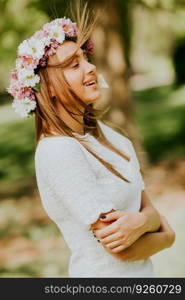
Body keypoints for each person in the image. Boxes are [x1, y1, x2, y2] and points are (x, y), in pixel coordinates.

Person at [8, 2, 175, 277]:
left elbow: (150, 210)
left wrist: (144, 222)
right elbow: (123, 250)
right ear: (47, 88)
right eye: (74, 65)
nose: (90, 68)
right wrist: (164, 235)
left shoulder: (113, 138)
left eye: (86, 59)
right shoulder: (58, 151)